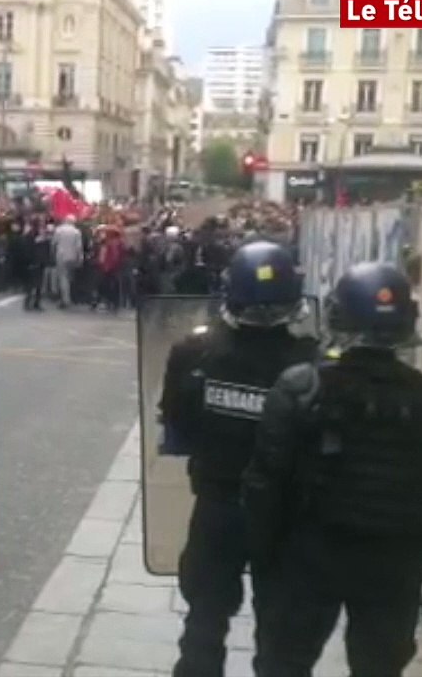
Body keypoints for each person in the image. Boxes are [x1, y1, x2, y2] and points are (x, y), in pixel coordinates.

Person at [244, 262, 422, 677]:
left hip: (309, 557)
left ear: (338, 317)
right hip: (395, 565)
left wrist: (262, 557)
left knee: (282, 665)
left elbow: (265, 483)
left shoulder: (301, 389)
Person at [155, 241, 320, 677]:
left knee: (205, 623)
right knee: (279, 634)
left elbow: (177, 426)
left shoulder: (195, 353)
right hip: (284, 515)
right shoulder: (312, 365)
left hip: (217, 505)